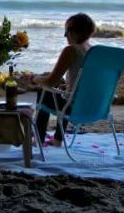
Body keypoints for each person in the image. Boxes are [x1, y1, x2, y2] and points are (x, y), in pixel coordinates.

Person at [31, 13, 95, 146]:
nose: (65, 35)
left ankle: (38, 138)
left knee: (44, 91)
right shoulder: (93, 51)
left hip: (74, 108)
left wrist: (33, 78)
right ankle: (57, 139)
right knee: (65, 94)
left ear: (76, 31)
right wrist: (67, 87)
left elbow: (50, 82)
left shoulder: (71, 50)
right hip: (92, 106)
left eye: (67, 30)